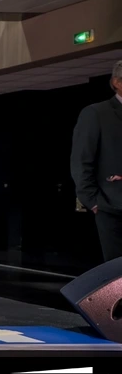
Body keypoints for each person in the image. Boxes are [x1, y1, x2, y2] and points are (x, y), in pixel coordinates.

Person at [71, 60, 122, 262]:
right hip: (112, 206)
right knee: (117, 270)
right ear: (117, 82)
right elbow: (81, 160)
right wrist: (93, 202)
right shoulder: (97, 113)